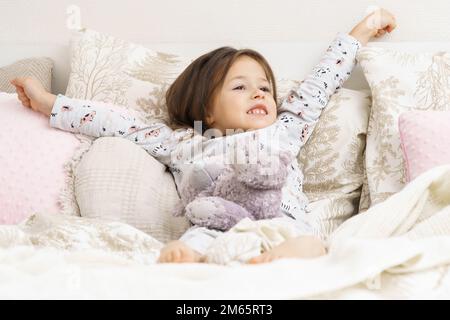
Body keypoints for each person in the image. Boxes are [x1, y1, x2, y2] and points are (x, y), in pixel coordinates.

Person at [11, 8, 396, 264]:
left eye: (265, 87)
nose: (260, 93)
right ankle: (197, 266)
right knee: (186, 247)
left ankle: (267, 265)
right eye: (240, 88)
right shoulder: (186, 144)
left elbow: (319, 87)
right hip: (214, 229)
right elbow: (118, 124)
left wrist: (360, 33)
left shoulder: (286, 132)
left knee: (311, 247)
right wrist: (50, 103)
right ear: (207, 109)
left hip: (280, 223)